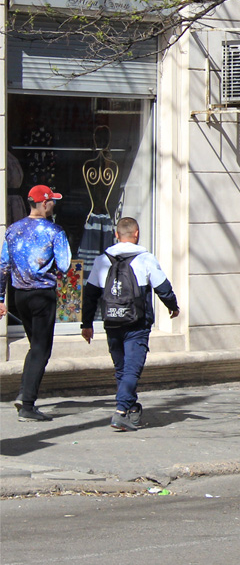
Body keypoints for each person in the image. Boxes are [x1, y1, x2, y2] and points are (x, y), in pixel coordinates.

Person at [81, 217, 180, 432]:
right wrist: (173, 306)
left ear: (116, 235)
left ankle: (131, 407)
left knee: (122, 369)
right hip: (137, 324)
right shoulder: (145, 259)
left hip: (112, 322)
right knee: (132, 370)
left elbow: (89, 294)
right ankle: (120, 412)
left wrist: (86, 324)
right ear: (136, 234)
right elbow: (162, 287)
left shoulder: (102, 260)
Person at [1, 185, 73, 421]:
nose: (54, 204)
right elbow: (64, 264)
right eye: (52, 201)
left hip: (20, 296)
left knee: (35, 346)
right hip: (42, 295)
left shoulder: (12, 230)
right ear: (44, 204)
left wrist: (1, 298)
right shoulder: (54, 231)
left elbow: (3, 266)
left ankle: (25, 392)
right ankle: (27, 403)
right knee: (42, 349)